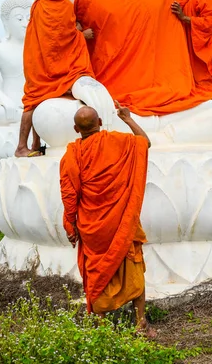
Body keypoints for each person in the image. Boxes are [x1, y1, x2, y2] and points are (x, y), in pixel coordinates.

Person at [60, 101, 155, 337]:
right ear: (100, 123)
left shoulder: (72, 155)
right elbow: (146, 143)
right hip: (122, 219)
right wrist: (128, 118)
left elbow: (69, 196)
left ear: (75, 129)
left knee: (96, 271)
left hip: (92, 226)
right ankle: (140, 323)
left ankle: (102, 328)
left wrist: (71, 225)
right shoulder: (119, 141)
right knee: (133, 266)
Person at [15, 0, 96, 157]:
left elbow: (45, 33)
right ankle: (20, 147)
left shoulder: (40, 1)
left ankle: (34, 144)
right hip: (52, 64)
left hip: (38, 61)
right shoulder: (62, 4)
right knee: (33, 102)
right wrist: (82, 35)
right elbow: (64, 36)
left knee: (35, 101)